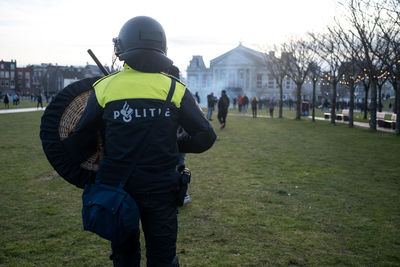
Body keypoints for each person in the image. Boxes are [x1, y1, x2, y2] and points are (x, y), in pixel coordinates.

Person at [71, 16, 216, 266]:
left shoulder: (104, 88)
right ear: (162, 48)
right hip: (161, 189)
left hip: (116, 188)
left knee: (125, 257)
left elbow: (79, 140)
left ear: (121, 48)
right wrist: (176, 144)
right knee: (162, 258)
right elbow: (206, 136)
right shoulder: (175, 89)